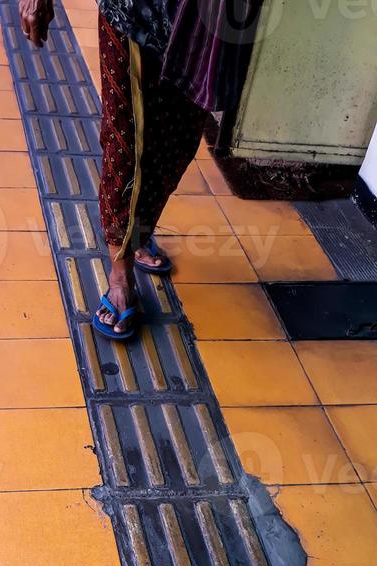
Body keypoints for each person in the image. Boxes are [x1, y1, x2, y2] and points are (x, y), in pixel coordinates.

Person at [19, 0, 261, 340]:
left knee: (178, 142)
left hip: (205, 24)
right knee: (128, 140)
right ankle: (120, 271)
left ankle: (139, 228)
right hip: (133, 12)